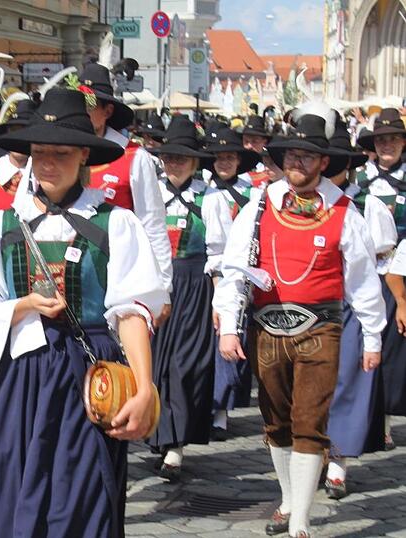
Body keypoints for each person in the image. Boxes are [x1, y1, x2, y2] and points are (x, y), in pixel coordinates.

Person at [0, 86, 168, 537]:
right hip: (17, 375)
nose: (47, 163)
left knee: (78, 498)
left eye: (60, 153)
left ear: (84, 154)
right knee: (3, 487)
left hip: (88, 378)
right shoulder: (0, 226)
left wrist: (144, 389)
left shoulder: (114, 223)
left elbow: (133, 311)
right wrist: (23, 305)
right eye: (39, 153)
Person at [215, 111, 385, 538]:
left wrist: (371, 336)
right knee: (275, 420)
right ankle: (288, 499)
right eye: (292, 154)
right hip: (266, 326)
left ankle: (302, 520)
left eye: (307, 156)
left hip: (321, 328)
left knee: (310, 419)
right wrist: (229, 327)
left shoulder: (345, 211)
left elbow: (364, 280)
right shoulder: (260, 203)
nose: (298, 163)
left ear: (324, 162)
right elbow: (234, 267)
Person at [146, 117, 229, 480]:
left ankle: (176, 445)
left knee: (184, 364)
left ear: (195, 162)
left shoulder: (210, 199)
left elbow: (221, 253)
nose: (174, 163)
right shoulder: (152, 195)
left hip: (195, 284)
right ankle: (159, 433)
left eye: (182, 157)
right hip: (156, 283)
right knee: (155, 362)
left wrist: (218, 301)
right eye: (169, 157)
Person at [323, 119, 395, 499]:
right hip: (310, 304)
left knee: (346, 380)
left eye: (335, 164)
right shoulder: (300, 201)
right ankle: (312, 452)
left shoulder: (366, 202)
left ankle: (338, 462)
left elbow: (385, 247)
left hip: (350, 303)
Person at [80, 63, 174, 326]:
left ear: (107, 110)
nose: (81, 113)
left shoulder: (134, 157)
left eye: (89, 105)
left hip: (121, 272)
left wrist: (162, 287)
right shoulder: (60, 152)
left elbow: (153, 224)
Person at [203, 127, 263, 435]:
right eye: (218, 157)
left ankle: (223, 409)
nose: (224, 163)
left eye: (229, 157)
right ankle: (211, 406)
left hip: (244, 272)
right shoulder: (204, 191)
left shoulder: (253, 192)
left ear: (239, 160)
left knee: (236, 338)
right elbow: (213, 247)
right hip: (210, 274)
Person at [354, 108, 406, 451]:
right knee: (374, 345)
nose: (387, 145)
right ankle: (379, 420)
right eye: (381, 139)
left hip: (404, 268)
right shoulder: (359, 178)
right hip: (368, 271)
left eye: (393, 139)